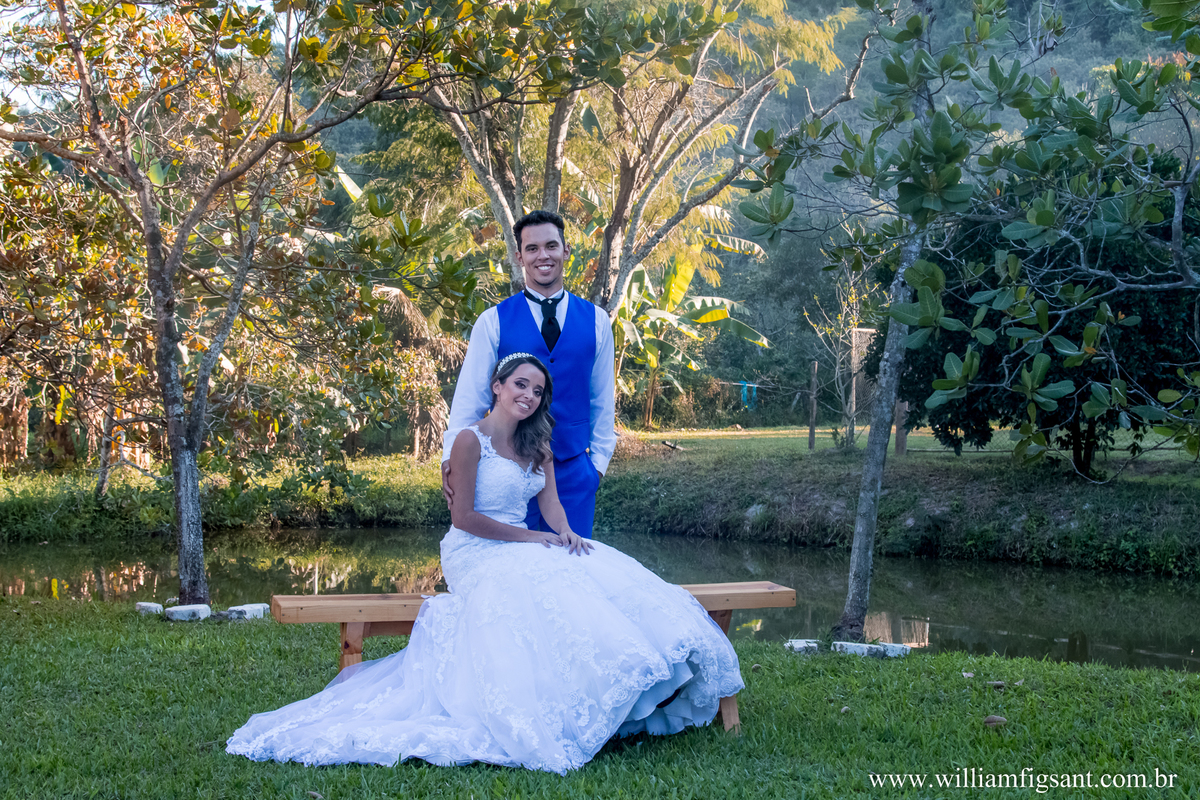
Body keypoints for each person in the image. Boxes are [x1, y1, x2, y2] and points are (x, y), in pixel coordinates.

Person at [226, 355, 743, 774]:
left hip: (523, 543)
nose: (529, 396)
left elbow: (550, 503)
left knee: (588, 564)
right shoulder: (468, 441)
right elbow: (467, 517)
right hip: (475, 550)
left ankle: (627, 692)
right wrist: (530, 539)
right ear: (498, 385)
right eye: (520, 385)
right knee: (541, 578)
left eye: (537, 391)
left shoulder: (536, 442)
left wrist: (561, 532)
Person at [441, 210, 614, 538]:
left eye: (551, 246)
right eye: (532, 248)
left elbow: (602, 401)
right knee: (515, 577)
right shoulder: (492, 320)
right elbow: (470, 400)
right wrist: (450, 460)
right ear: (519, 256)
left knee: (574, 575)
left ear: (566, 251)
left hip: (575, 472)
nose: (543, 255)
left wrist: (597, 469)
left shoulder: (596, 321)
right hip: (506, 473)